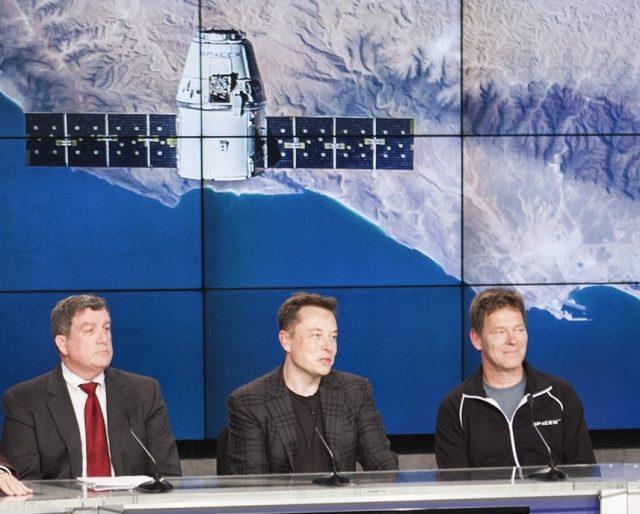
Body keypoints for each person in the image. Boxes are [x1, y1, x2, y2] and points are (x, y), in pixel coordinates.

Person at [0, 295, 182, 480]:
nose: (103, 339)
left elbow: (168, 474)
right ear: (63, 344)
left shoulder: (144, 392)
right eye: (89, 330)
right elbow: (24, 485)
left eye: (107, 328)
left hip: (130, 506)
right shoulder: (24, 400)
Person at [225, 292, 398, 474]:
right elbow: (252, 486)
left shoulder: (354, 391)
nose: (328, 347)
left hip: (340, 502)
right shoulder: (249, 402)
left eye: (333, 337)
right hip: (284, 502)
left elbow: (384, 467)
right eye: (316, 336)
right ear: (286, 341)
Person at [435, 287, 595, 469]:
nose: (513, 340)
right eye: (500, 332)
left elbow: (585, 475)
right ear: (476, 339)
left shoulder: (560, 395)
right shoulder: (455, 408)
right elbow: (456, 488)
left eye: (518, 330)